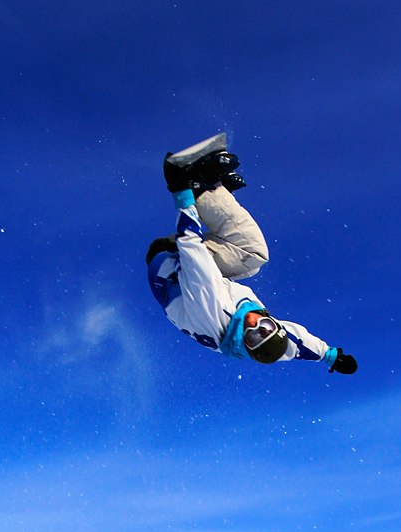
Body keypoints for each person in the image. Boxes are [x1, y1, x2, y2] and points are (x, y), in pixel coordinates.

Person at [147, 133, 358, 373]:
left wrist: (181, 189)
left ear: (245, 345)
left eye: (253, 337)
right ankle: (216, 193)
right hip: (192, 277)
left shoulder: (215, 311)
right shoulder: (274, 337)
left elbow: (191, 248)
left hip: (170, 269)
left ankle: (201, 187)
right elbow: (299, 345)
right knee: (253, 265)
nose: (254, 324)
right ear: (275, 326)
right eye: (266, 326)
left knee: (252, 251)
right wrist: (331, 357)